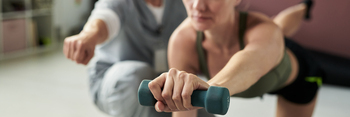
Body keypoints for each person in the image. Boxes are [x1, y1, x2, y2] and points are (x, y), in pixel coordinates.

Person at [148, 0, 323, 117]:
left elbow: (250, 63)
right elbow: (184, 113)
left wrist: (210, 88)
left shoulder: (265, 32)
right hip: (260, 43)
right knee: (277, 27)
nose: (197, 6)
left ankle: (304, 7)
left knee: (276, 29)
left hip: (298, 80)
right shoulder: (182, 40)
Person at [63, 0, 214, 117]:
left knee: (199, 107)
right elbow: (104, 19)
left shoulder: (183, 3)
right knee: (137, 78)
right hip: (118, 83)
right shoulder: (120, 2)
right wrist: (87, 37)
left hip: (166, 87)